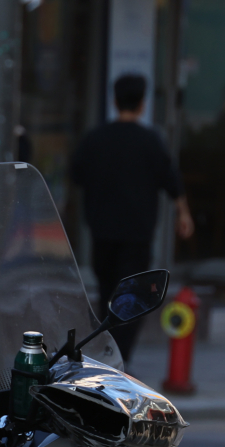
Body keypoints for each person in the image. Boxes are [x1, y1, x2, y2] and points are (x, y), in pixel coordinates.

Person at [70, 74, 194, 364]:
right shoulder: (150, 141)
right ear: (142, 104)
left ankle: (107, 353)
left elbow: (77, 175)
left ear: (114, 101)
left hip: (102, 230)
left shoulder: (94, 139)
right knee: (133, 298)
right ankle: (120, 357)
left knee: (106, 293)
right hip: (137, 232)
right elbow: (171, 179)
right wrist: (183, 212)